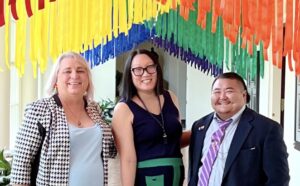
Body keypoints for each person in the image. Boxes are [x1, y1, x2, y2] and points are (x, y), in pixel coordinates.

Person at [10, 51, 116, 186]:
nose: (74, 75)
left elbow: (111, 149)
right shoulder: (40, 110)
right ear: (56, 80)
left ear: (88, 80)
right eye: (67, 71)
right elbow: (21, 163)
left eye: (80, 71)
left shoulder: (95, 109)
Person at [188, 72, 290, 186]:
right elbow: (195, 171)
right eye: (216, 92)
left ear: (244, 95)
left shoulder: (267, 129)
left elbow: (278, 180)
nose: (222, 97)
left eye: (229, 91)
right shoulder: (199, 126)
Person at [112, 48, 190, 186]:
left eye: (150, 67)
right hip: (147, 179)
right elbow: (128, 159)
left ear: (157, 69)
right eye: (138, 69)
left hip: (176, 176)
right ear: (130, 74)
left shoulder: (171, 97)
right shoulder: (123, 108)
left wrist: (202, 128)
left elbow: (173, 140)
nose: (145, 73)